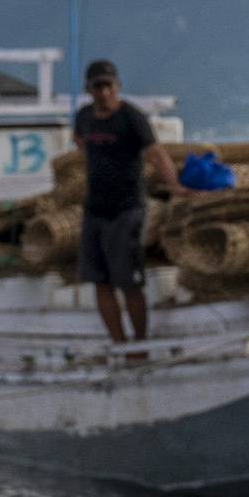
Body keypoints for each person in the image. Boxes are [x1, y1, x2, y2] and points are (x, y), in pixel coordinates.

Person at [71, 61, 173, 349]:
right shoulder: (84, 117)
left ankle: (139, 343)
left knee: (128, 280)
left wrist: (175, 185)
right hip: (95, 208)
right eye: (97, 87)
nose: (103, 92)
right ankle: (119, 343)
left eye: (108, 86)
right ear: (88, 90)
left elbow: (155, 153)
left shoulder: (131, 117)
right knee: (99, 281)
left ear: (117, 86)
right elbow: (79, 140)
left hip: (127, 206)